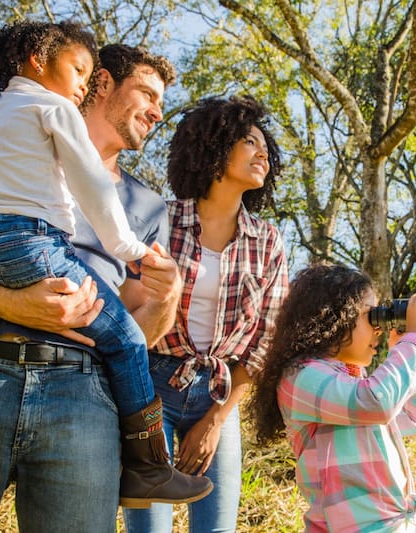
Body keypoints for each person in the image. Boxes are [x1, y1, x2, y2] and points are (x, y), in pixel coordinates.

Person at [0, 42, 199, 532]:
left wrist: (167, 295)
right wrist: (12, 304)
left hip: (83, 398)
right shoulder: (11, 141)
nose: (157, 111)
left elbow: (138, 336)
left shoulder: (149, 207)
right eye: (147, 94)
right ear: (103, 82)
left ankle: (147, 467)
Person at [123, 95, 289, 533]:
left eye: (265, 147)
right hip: (148, 385)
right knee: (148, 528)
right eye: (249, 142)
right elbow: (126, 303)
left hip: (221, 393)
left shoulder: (268, 240)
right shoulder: (160, 220)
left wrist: (217, 419)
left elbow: (268, 339)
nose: (263, 154)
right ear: (215, 148)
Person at [248, 264, 416, 533]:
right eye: (370, 316)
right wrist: (414, 342)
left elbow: (414, 419)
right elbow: (377, 402)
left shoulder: (354, 382)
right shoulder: (301, 377)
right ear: (334, 317)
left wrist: (408, 351)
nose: (378, 329)